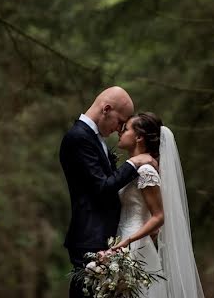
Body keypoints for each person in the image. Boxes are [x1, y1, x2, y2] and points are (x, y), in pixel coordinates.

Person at [60, 87, 158, 298]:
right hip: (90, 238)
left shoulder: (95, 139)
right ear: (106, 109)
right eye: (120, 122)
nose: (119, 129)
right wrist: (133, 162)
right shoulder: (78, 138)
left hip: (108, 239)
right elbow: (102, 188)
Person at [113, 112, 205, 298]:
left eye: (126, 129)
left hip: (134, 243)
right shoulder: (135, 168)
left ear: (139, 137)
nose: (120, 132)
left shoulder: (146, 170)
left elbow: (159, 216)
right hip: (123, 240)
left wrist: (129, 241)